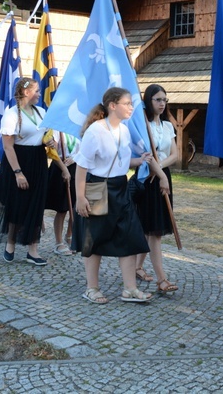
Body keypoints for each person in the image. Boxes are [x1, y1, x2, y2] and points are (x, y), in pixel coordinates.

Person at [71, 87, 153, 304]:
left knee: (129, 236)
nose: (131, 107)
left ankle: (130, 289)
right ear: (112, 105)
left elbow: (121, 162)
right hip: (97, 187)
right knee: (94, 238)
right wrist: (80, 197)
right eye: (127, 103)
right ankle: (91, 288)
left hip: (121, 187)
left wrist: (140, 160)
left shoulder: (124, 131)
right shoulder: (95, 131)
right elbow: (81, 167)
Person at [0, 77, 53, 266]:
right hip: (18, 161)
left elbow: (42, 136)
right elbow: (9, 147)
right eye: (36, 91)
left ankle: (33, 250)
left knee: (36, 205)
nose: (39, 94)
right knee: (17, 204)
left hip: (38, 160)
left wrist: (48, 141)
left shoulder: (41, 111)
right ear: (26, 92)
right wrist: (18, 172)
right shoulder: (11, 114)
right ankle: (10, 244)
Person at [134, 84, 179, 294]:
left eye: (164, 100)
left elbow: (175, 154)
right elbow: (145, 155)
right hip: (147, 178)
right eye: (158, 100)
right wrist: (156, 171)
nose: (162, 104)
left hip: (161, 176)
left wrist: (160, 169)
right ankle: (162, 279)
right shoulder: (143, 126)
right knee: (153, 231)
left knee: (151, 228)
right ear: (148, 101)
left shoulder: (167, 126)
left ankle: (137, 266)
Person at [44, 131, 78, 256]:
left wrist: (74, 158)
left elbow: (85, 149)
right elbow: (52, 151)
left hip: (77, 168)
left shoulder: (80, 127)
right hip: (60, 168)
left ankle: (69, 235)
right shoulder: (58, 130)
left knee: (75, 207)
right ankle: (58, 243)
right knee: (62, 208)